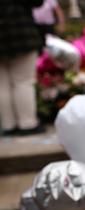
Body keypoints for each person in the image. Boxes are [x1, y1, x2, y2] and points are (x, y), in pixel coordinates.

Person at [0, 0, 44, 136]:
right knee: (23, 82)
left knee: (2, 85)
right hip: (19, 32)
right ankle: (27, 123)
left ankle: (8, 125)